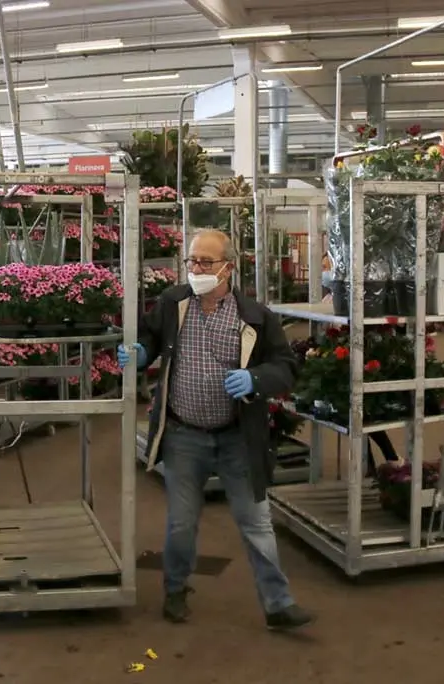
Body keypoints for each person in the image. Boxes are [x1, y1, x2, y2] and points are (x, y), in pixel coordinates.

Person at [116, 229, 313, 631]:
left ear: (228, 268)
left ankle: (279, 604)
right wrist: (139, 354)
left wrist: (256, 379)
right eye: (191, 260)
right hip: (184, 434)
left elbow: (286, 365)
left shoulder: (256, 317)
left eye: (205, 262)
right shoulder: (173, 304)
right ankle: (174, 588)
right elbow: (152, 338)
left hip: (237, 437)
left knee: (256, 523)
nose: (196, 269)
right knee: (181, 523)